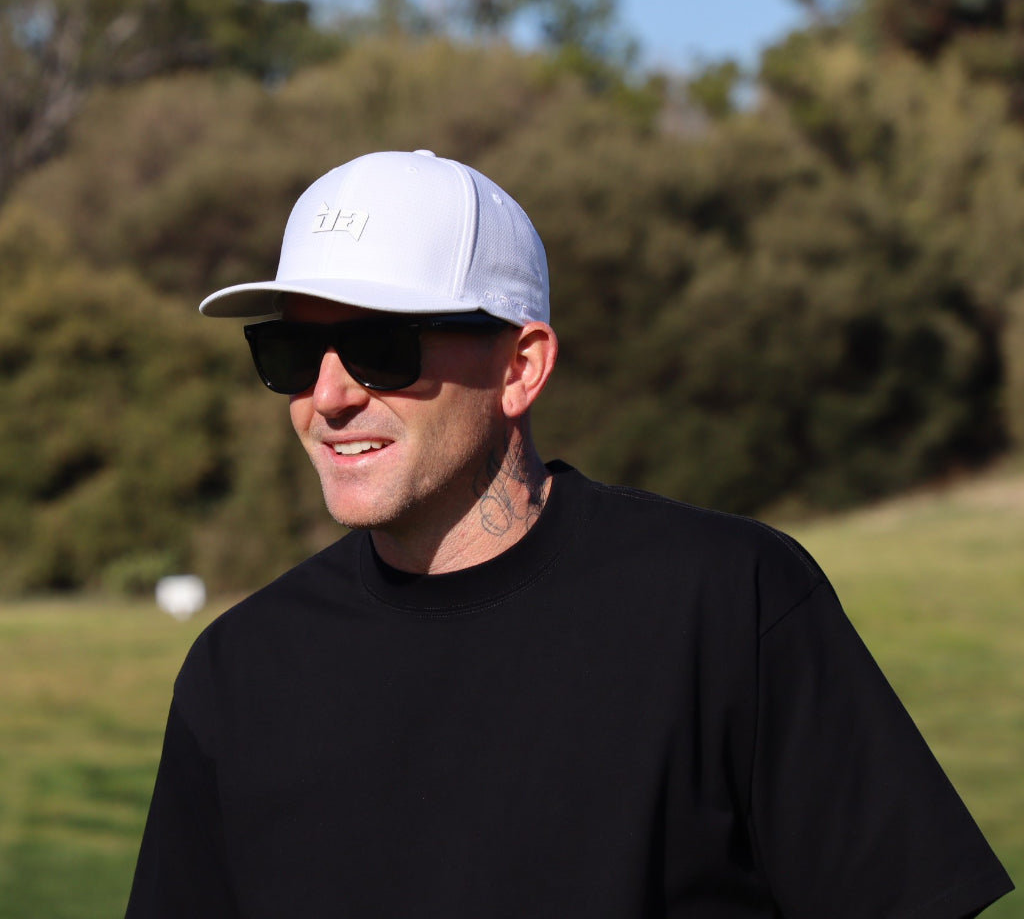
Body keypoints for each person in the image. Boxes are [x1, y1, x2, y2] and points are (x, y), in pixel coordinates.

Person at [126, 149, 1013, 918]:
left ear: (521, 367)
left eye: (379, 347)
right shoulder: (239, 673)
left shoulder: (727, 602)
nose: (328, 397)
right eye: (289, 355)